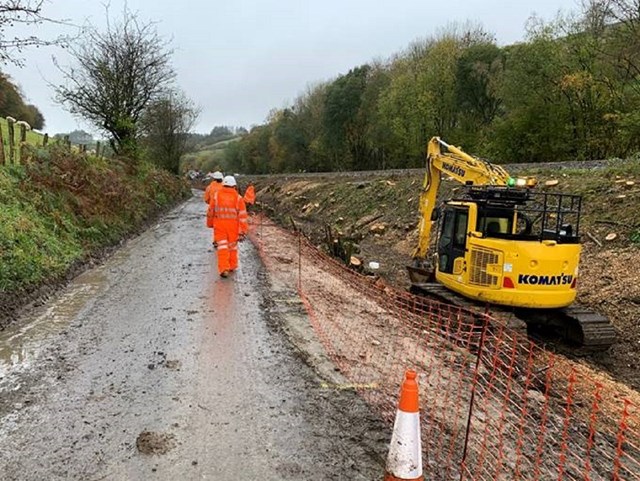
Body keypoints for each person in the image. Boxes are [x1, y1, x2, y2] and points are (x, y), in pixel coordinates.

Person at [209, 175, 248, 278]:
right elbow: (243, 216)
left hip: (219, 226)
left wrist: (210, 223)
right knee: (232, 247)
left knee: (222, 247)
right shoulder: (238, 198)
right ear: (234, 186)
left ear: (224, 184)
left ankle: (224, 268)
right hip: (233, 227)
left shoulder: (216, 196)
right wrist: (242, 231)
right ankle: (232, 265)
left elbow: (210, 211)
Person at [205, 171, 224, 245]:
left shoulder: (209, 187)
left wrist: (210, 203)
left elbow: (206, 199)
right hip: (224, 208)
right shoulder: (224, 186)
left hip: (213, 209)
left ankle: (216, 240)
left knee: (216, 226)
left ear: (213, 178)